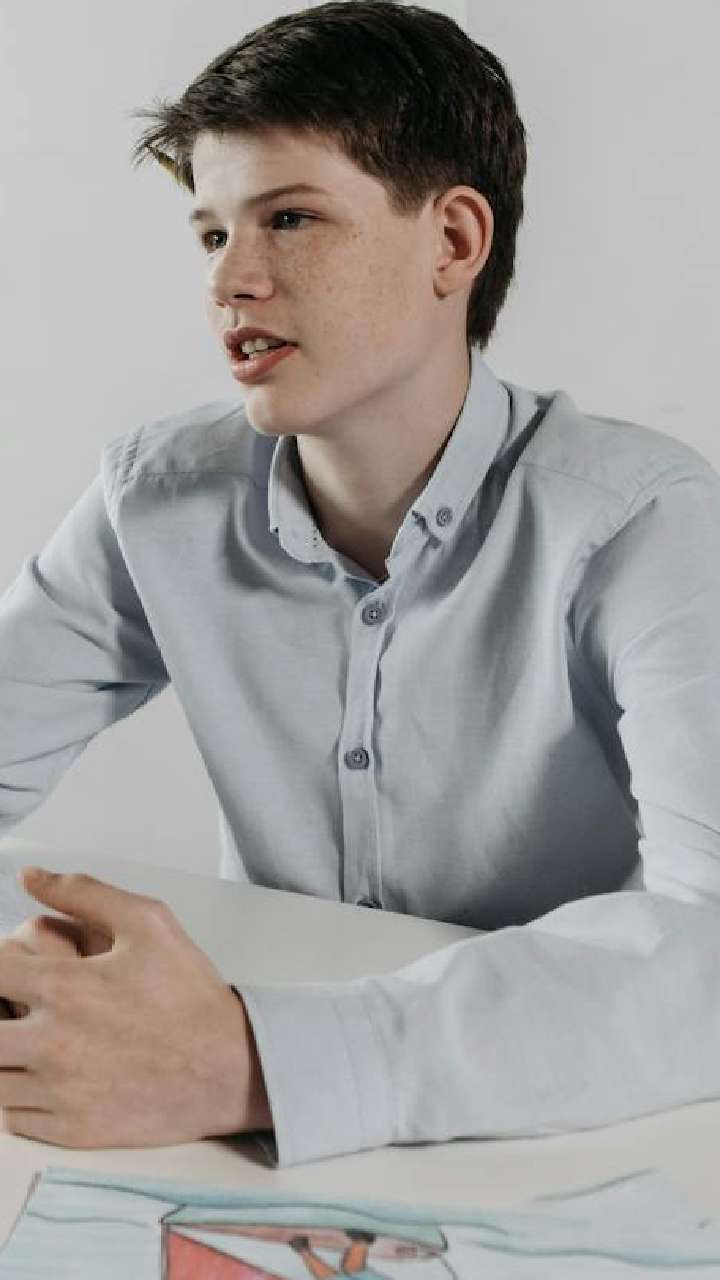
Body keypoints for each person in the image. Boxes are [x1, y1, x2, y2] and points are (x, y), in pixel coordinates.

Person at [1, 0, 719, 1167]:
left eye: (289, 218)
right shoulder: (158, 496)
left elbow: (712, 946)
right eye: (210, 232)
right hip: (207, 1136)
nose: (230, 282)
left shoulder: (644, 519)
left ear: (454, 241)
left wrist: (247, 1060)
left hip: (565, 1134)